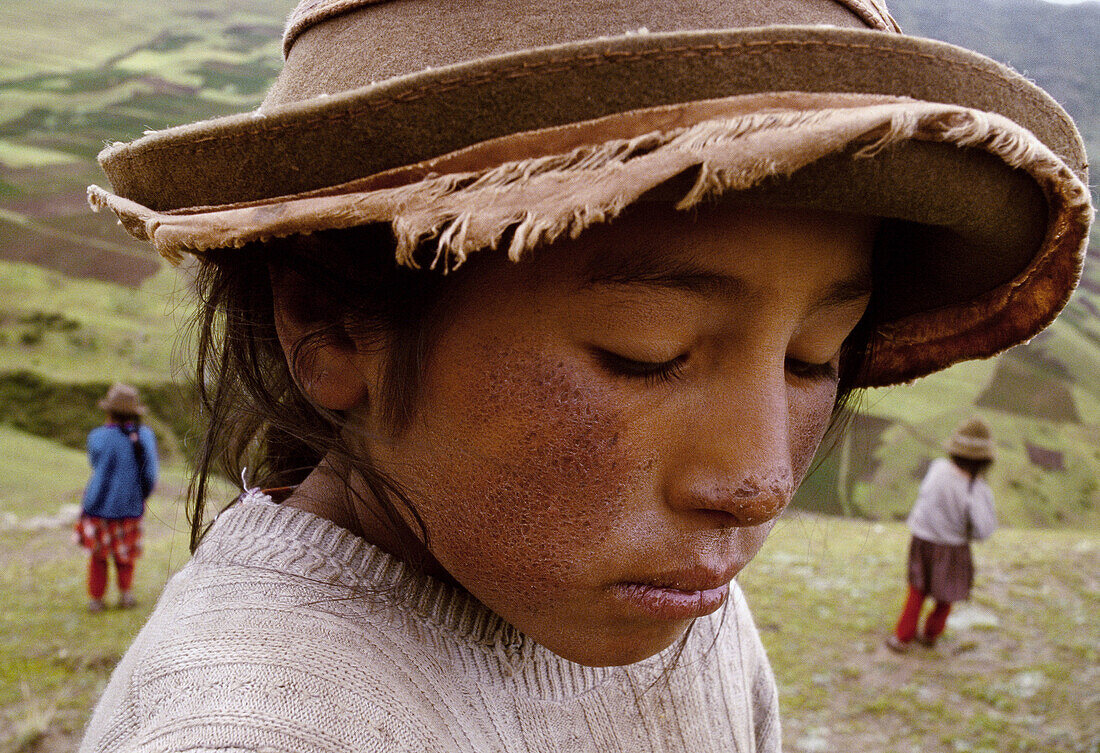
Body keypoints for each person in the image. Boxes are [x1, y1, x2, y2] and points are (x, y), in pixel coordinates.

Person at [80, 0, 1090, 750]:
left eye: (811, 359)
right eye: (643, 352)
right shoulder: (258, 729)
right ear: (335, 327)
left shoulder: (670, 607)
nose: (756, 481)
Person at [887, 418, 997, 653]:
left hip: (922, 540)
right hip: (953, 549)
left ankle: (902, 637)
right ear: (984, 459)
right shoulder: (977, 490)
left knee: (917, 589)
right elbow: (984, 530)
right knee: (946, 594)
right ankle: (931, 634)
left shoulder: (937, 468)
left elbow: (924, 501)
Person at [74, 383, 158, 613]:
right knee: (126, 556)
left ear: (108, 411)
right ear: (134, 412)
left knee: (99, 557)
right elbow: (150, 475)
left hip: (98, 504)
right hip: (130, 506)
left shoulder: (97, 436)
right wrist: (141, 496)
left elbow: (95, 463)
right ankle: (126, 595)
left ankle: (96, 600)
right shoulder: (145, 436)